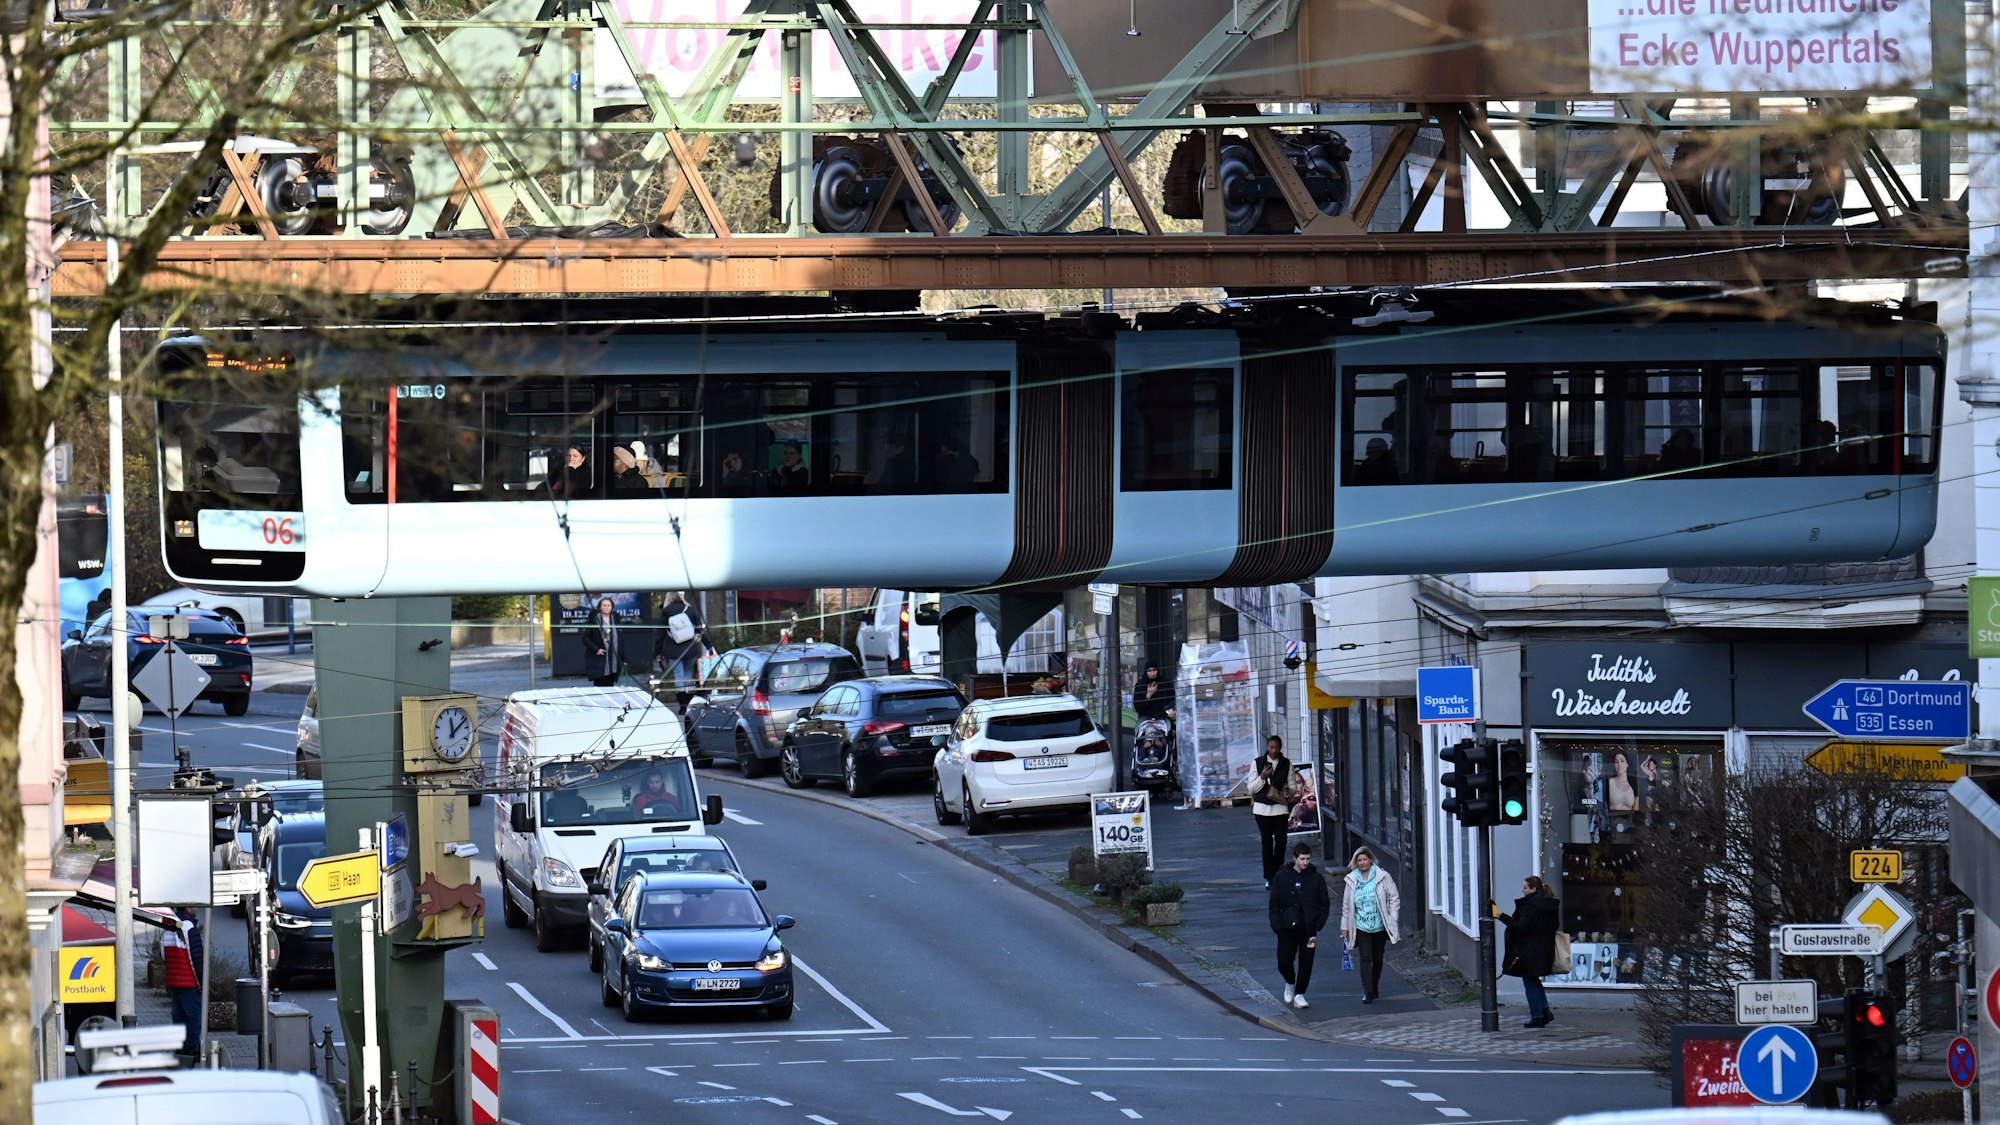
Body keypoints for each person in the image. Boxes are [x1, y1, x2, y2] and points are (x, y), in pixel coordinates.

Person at [1268, 842, 1330, 1010]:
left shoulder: (1316, 878)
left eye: (1308, 859)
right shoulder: (1282, 877)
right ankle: (1290, 981)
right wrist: (1277, 925)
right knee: (1283, 961)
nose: (1305, 862)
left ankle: (1300, 993)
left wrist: (1319, 923)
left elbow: (1324, 903)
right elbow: (1274, 903)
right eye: (1302, 859)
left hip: (1309, 928)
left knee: (1306, 962)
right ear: (1294, 858)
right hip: (1287, 927)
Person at [1340, 846, 1402, 1003]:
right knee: (1365, 958)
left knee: (1378, 958)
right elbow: (1346, 905)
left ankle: (1374, 986)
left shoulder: (1382, 876)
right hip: (1361, 926)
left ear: (1371, 860)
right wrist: (1345, 926)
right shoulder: (1352, 879)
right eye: (1359, 860)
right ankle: (1367, 991)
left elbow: (1394, 897)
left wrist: (1392, 919)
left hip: (1380, 925)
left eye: (1364, 859)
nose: (1362, 863)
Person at [1500, 874, 1562, 1027]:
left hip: (1529, 950)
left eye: (1525, 888)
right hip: (1544, 949)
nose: (1523, 890)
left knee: (1529, 982)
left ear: (1533, 889)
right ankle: (1544, 1012)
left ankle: (1537, 1016)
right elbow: (1554, 926)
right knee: (1534, 980)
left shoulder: (1529, 907)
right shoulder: (1549, 905)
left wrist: (1502, 917)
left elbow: (1520, 928)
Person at [1247, 736, 1293, 887]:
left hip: (1280, 808)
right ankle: (1269, 876)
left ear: (1280, 748)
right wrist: (1262, 777)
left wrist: (1288, 790)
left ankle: (1278, 872)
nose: (1274, 751)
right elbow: (1251, 788)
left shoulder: (1286, 764)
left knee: (1281, 842)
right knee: (1267, 843)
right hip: (1262, 808)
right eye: (1271, 747)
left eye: (1277, 748)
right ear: (1267, 747)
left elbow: (1293, 788)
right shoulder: (1258, 763)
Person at [163, 907, 203, 1057]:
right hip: (189, 981)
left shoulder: (168, 927)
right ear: (187, 908)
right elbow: (196, 959)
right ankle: (192, 1050)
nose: (196, 909)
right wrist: (201, 982)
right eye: (194, 906)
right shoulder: (189, 927)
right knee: (193, 1017)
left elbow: (163, 954)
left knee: (178, 1017)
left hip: (174, 981)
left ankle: (180, 1051)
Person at [654, 591, 708, 692]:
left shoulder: (666, 612)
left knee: (678, 675)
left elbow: (659, 634)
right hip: (689, 648)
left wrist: (657, 652)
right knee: (688, 674)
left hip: (673, 650)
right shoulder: (690, 610)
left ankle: (682, 704)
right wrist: (709, 646)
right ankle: (688, 701)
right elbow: (700, 629)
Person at [583, 596, 622, 687]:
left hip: (613, 656)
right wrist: (596, 649)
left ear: (612, 607)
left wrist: (623, 657)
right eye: (604, 605)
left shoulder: (615, 619)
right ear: (600, 607)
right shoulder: (593, 620)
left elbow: (621, 639)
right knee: (599, 684)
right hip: (599, 657)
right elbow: (585, 639)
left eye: (609, 605)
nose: (607, 607)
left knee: (611, 684)